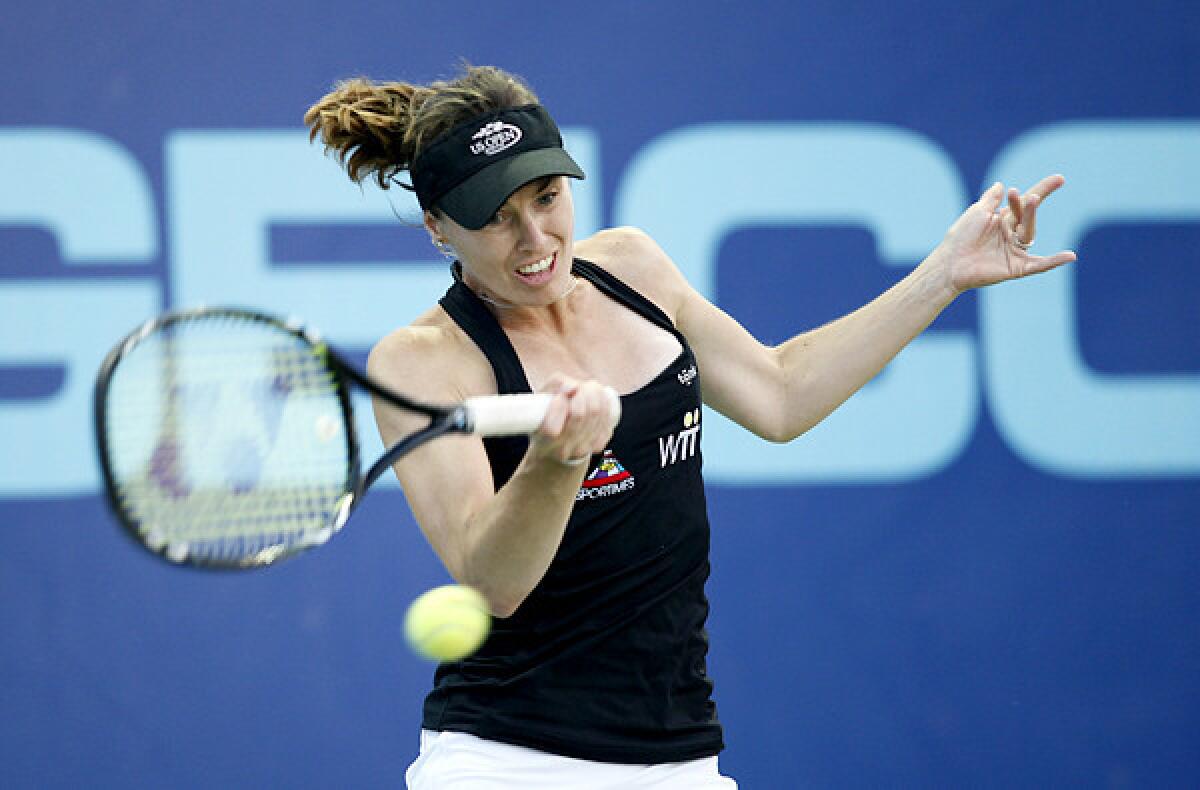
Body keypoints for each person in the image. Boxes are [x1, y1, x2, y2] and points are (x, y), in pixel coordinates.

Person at [303, 65, 1075, 789]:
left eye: (546, 197)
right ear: (439, 228)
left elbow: (780, 396)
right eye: (496, 219)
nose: (535, 240)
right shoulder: (420, 362)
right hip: (509, 758)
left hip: (680, 752)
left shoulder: (634, 266)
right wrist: (558, 461)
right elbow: (494, 582)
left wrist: (943, 275)